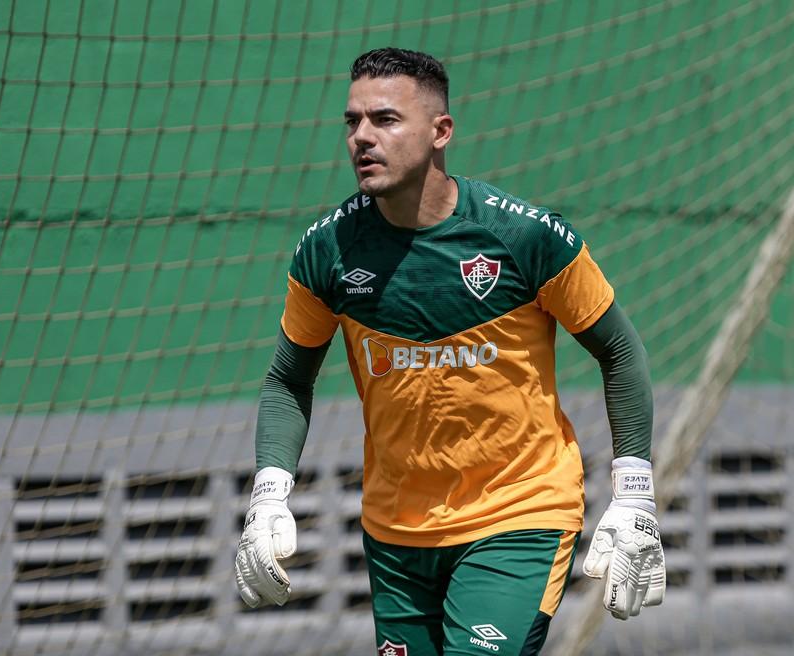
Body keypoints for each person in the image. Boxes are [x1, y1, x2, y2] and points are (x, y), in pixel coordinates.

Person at [234, 47, 665, 656]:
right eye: (352, 121)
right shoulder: (327, 250)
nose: (362, 137)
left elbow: (619, 351)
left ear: (441, 132)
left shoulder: (523, 236)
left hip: (519, 513)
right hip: (395, 532)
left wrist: (635, 494)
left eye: (384, 120)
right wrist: (269, 494)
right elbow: (287, 378)